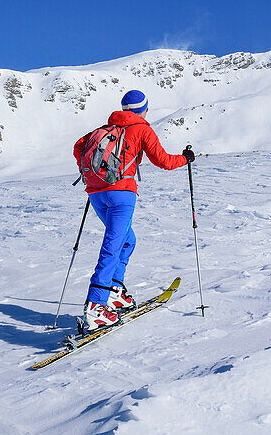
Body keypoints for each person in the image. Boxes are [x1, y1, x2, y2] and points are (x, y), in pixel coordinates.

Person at [72, 89, 195, 330]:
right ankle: (96, 306)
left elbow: (79, 148)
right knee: (113, 245)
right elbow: (163, 161)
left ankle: (114, 291)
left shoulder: (104, 129)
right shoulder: (142, 128)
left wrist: (93, 173)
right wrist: (185, 158)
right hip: (122, 194)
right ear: (144, 110)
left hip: (97, 193)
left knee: (127, 241)